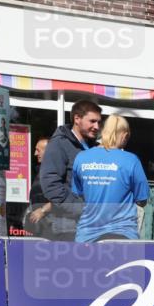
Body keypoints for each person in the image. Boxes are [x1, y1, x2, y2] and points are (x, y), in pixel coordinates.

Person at [70, 115, 149, 242]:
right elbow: (142, 199)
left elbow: (79, 194)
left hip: (87, 235)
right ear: (124, 135)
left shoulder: (81, 157)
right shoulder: (131, 160)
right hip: (122, 233)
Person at [39, 99, 101, 240]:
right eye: (92, 121)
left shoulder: (94, 147)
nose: (97, 126)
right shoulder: (59, 144)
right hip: (66, 227)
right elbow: (51, 185)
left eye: (99, 122)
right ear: (77, 119)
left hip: (91, 225)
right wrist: (81, 209)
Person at [23, 137, 51, 236]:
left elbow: (63, 199)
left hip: (51, 229)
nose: (35, 153)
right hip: (38, 227)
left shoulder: (58, 172)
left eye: (38, 150)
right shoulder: (40, 170)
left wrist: (43, 210)